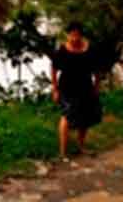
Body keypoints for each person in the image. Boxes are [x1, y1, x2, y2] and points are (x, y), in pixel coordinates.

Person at [51, 21, 102, 159]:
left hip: (85, 87)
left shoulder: (90, 49)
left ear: (81, 35)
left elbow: (97, 70)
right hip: (66, 88)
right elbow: (54, 69)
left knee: (85, 117)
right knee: (67, 117)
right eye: (71, 35)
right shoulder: (62, 50)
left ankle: (81, 147)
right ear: (67, 35)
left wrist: (97, 86)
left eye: (77, 35)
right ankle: (63, 153)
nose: (74, 38)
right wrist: (54, 89)